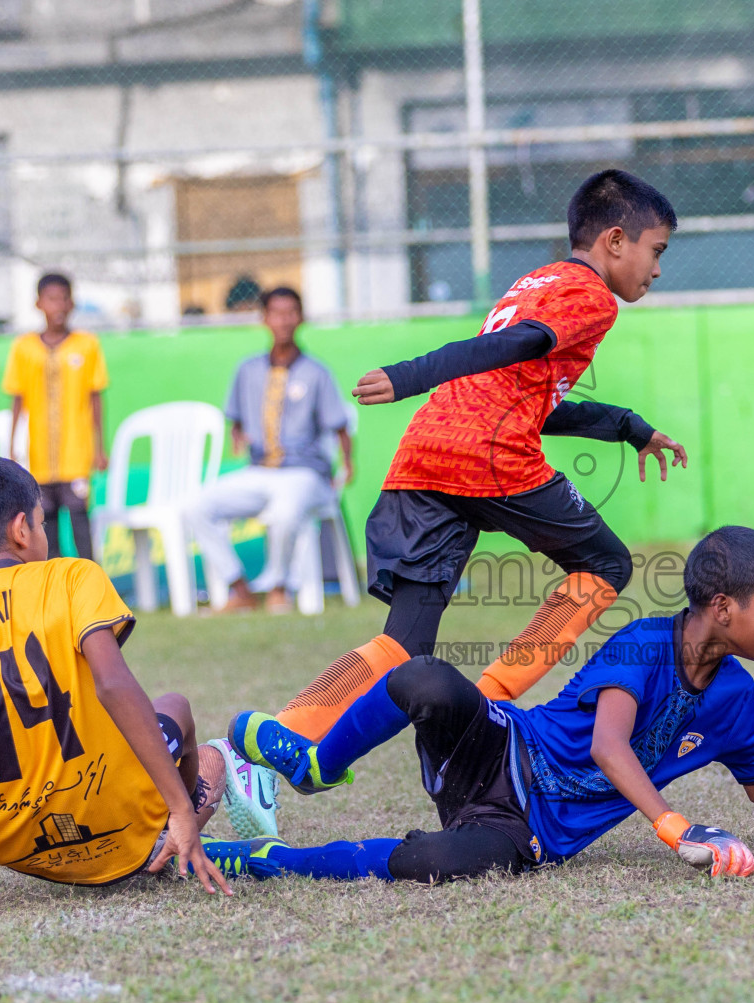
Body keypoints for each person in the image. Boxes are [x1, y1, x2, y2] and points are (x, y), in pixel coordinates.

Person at [212, 526, 754, 884]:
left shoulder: (735, 695)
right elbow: (610, 745)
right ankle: (313, 760)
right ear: (724, 608)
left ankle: (266, 861)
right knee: (428, 677)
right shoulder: (640, 642)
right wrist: (674, 827)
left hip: (526, 829)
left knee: (433, 865)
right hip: (500, 749)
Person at [256, 168, 692, 752]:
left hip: (426, 451)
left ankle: (277, 736)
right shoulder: (592, 297)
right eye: (656, 251)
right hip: (489, 455)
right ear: (616, 240)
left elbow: (523, 392)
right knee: (608, 564)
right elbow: (513, 349)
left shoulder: (535, 280)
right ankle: (491, 703)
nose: (658, 269)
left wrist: (628, 428)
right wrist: (412, 373)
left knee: (404, 646)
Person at [0, 455, 238, 917]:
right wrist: (181, 808)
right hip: (115, 817)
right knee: (179, 711)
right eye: (42, 523)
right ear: (23, 529)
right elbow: (113, 684)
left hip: (13, 839)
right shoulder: (73, 575)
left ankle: (165, 826)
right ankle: (179, 820)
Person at [184, 286, 354, 616]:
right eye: (276, 313)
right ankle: (240, 589)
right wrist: (238, 434)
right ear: (264, 318)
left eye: (291, 312)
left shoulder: (316, 372)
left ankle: (279, 588)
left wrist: (346, 466)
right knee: (197, 506)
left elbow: (340, 425)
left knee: (285, 510)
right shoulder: (248, 370)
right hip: (260, 469)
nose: (284, 320)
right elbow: (235, 417)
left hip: (305, 474)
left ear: (301, 317)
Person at [2, 272, 108, 563]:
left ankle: (91, 582)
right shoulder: (24, 347)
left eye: (63, 298)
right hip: (37, 454)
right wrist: (13, 445)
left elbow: (95, 397)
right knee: (44, 522)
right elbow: (17, 398)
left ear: (72, 303)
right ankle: (56, 589)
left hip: (76, 451)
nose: (58, 306)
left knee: (79, 517)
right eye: (51, 299)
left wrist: (100, 447)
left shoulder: (86, 345)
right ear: (38, 304)